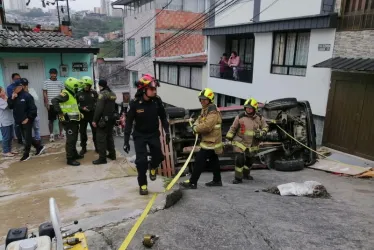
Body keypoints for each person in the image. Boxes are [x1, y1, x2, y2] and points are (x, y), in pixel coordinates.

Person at [123, 74, 170, 195]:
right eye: (152, 89)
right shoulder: (134, 103)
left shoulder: (157, 101)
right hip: (140, 135)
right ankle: (143, 185)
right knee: (141, 162)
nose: (155, 91)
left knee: (159, 157)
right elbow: (128, 123)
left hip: (153, 133)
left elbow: (163, 117)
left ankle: (153, 167)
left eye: (155, 89)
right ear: (144, 89)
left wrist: (167, 131)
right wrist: (126, 141)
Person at [180, 88, 223, 189]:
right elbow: (199, 120)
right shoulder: (206, 109)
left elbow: (207, 126)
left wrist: (195, 128)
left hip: (211, 142)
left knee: (199, 160)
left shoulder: (213, 112)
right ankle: (217, 180)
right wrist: (195, 126)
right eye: (201, 99)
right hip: (210, 141)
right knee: (213, 160)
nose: (202, 101)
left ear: (210, 100)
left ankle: (192, 183)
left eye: (204, 99)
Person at [226, 98, 269, 184]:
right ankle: (238, 178)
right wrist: (228, 137)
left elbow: (266, 127)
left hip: (253, 143)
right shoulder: (240, 117)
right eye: (247, 108)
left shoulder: (260, 118)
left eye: (250, 108)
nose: (248, 109)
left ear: (254, 109)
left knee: (250, 160)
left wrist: (262, 132)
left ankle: (246, 174)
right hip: (240, 141)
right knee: (240, 159)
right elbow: (233, 128)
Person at [7, 79, 45, 161]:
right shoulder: (14, 95)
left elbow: (33, 109)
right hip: (18, 120)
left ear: (20, 87)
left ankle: (26, 154)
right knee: (26, 137)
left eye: (15, 87)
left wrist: (28, 118)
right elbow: (10, 106)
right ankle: (39, 147)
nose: (13, 89)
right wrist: (12, 98)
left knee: (27, 138)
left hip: (27, 120)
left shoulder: (27, 96)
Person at [51, 77, 83, 166]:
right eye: (76, 87)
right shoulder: (66, 94)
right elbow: (54, 100)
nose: (77, 89)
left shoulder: (72, 94)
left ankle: (75, 154)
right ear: (71, 86)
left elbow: (71, 106)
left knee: (74, 138)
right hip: (68, 121)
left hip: (74, 120)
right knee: (71, 140)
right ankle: (70, 159)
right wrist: (60, 113)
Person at [92, 79, 117, 165]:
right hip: (111, 119)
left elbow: (99, 109)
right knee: (109, 137)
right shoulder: (112, 94)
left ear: (100, 86)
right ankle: (112, 155)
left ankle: (102, 158)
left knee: (101, 139)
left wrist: (95, 120)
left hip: (103, 120)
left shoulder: (102, 95)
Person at [76, 76, 98, 155]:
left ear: (90, 85)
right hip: (82, 116)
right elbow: (75, 105)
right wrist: (81, 108)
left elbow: (98, 103)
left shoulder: (94, 93)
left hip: (92, 115)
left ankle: (97, 147)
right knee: (82, 132)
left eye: (87, 85)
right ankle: (84, 148)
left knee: (95, 132)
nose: (86, 87)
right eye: (85, 85)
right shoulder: (78, 93)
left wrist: (93, 108)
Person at [43, 68, 64, 142]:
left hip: (59, 104)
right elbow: (45, 93)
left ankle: (61, 133)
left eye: (54, 73)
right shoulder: (46, 82)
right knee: (51, 120)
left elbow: (62, 93)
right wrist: (46, 103)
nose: (53, 75)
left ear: (56, 74)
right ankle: (51, 135)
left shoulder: (60, 82)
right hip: (51, 104)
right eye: (52, 73)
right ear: (50, 74)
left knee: (61, 119)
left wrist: (62, 103)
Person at [7, 73, 23, 145]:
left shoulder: (21, 86)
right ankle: (19, 139)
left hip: (23, 107)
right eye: (16, 78)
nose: (18, 80)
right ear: (13, 79)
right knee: (17, 124)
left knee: (25, 123)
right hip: (16, 108)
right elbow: (12, 98)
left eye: (19, 78)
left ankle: (25, 138)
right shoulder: (10, 88)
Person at [0, 86, 16, 157]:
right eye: (2, 91)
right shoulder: (0, 100)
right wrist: (11, 98)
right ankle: (5, 151)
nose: (4, 92)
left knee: (10, 136)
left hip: (9, 120)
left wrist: (7, 98)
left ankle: (10, 150)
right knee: (6, 137)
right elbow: (7, 106)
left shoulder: (4, 98)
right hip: (4, 122)